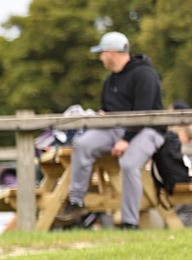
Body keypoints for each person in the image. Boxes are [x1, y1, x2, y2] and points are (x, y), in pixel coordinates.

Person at [54, 31, 166, 230]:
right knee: (83, 145)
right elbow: (108, 109)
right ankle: (77, 201)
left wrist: (126, 140)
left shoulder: (144, 74)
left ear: (112, 53)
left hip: (148, 129)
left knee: (129, 163)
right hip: (115, 129)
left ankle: (130, 222)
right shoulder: (110, 81)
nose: (100, 58)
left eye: (102, 53)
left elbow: (144, 114)